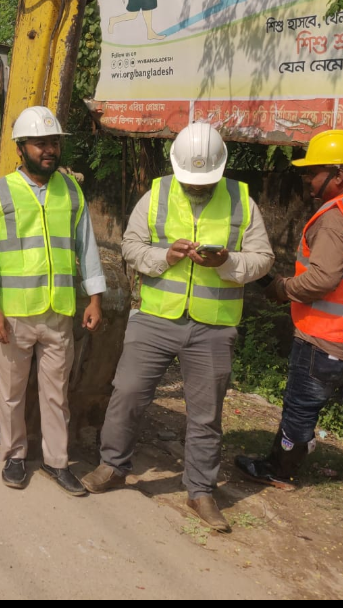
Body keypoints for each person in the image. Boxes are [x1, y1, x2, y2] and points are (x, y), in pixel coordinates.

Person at [80, 122, 274, 533]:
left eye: (205, 182)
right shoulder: (156, 195)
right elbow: (131, 247)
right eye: (190, 181)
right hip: (155, 317)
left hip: (213, 326)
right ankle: (112, 465)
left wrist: (227, 262)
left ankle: (200, 491)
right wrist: (165, 256)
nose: (197, 187)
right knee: (127, 392)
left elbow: (263, 259)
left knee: (206, 414)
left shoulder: (242, 200)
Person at [236, 131, 343, 534]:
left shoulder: (337, 217)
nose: (307, 180)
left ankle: (278, 469)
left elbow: (321, 280)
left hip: (327, 337)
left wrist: (281, 288)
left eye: (313, 173)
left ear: (339, 175)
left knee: (300, 410)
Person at [0, 107, 107, 493]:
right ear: (21, 148)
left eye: (54, 143)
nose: (49, 150)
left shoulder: (71, 191)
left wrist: (95, 298)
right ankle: (14, 456)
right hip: (13, 313)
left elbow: (87, 247)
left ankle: (56, 461)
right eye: (40, 144)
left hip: (58, 311)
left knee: (56, 394)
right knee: (11, 393)